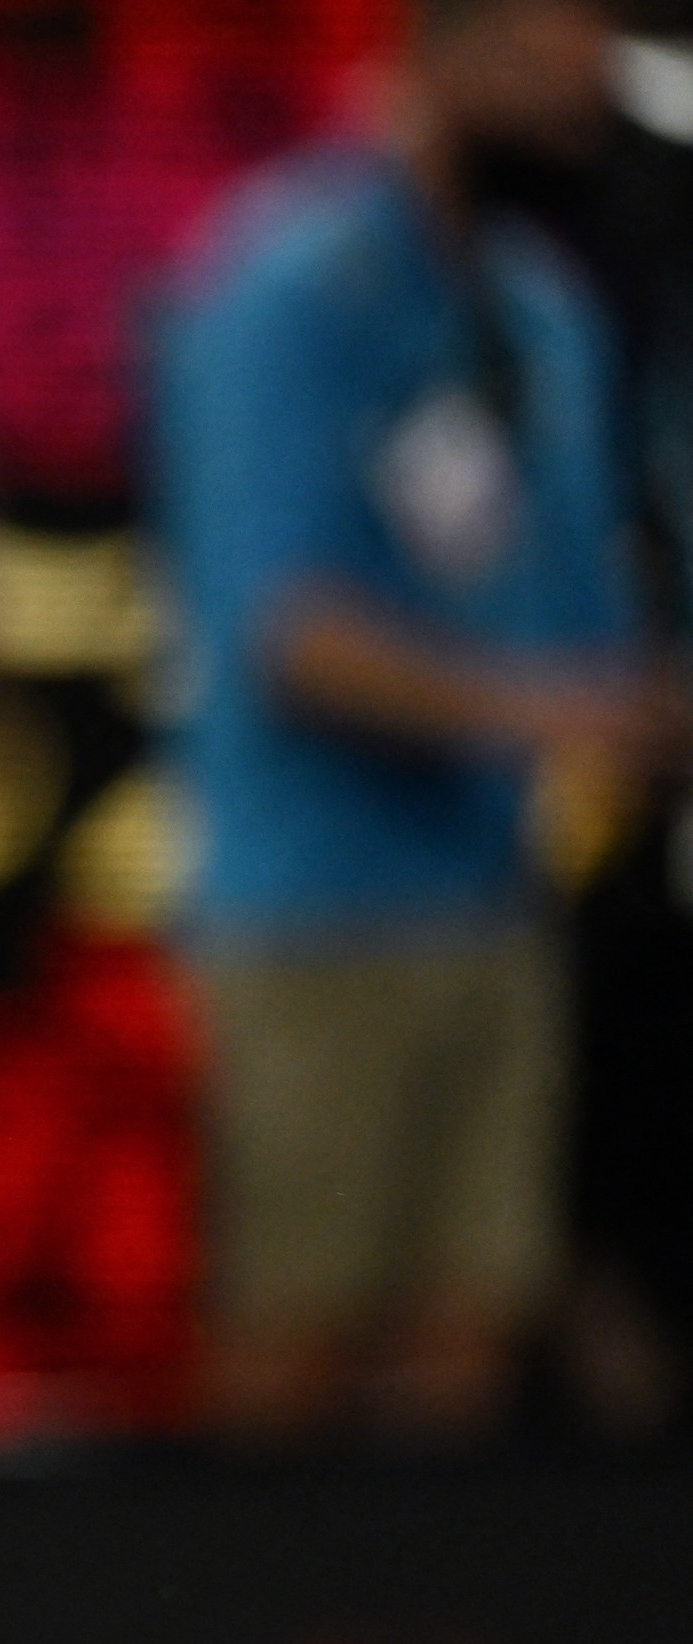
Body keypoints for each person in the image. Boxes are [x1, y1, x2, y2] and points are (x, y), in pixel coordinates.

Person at [152, 0, 684, 1441]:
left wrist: (630, 699)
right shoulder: (282, 286)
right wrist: (568, 708)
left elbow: (586, 611)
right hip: (310, 921)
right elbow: (290, 636)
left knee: (464, 1345)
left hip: (497, 906)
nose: (593, 88)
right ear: (454, 45)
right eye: (561, 47)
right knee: (291, 1352)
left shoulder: (542, 311)